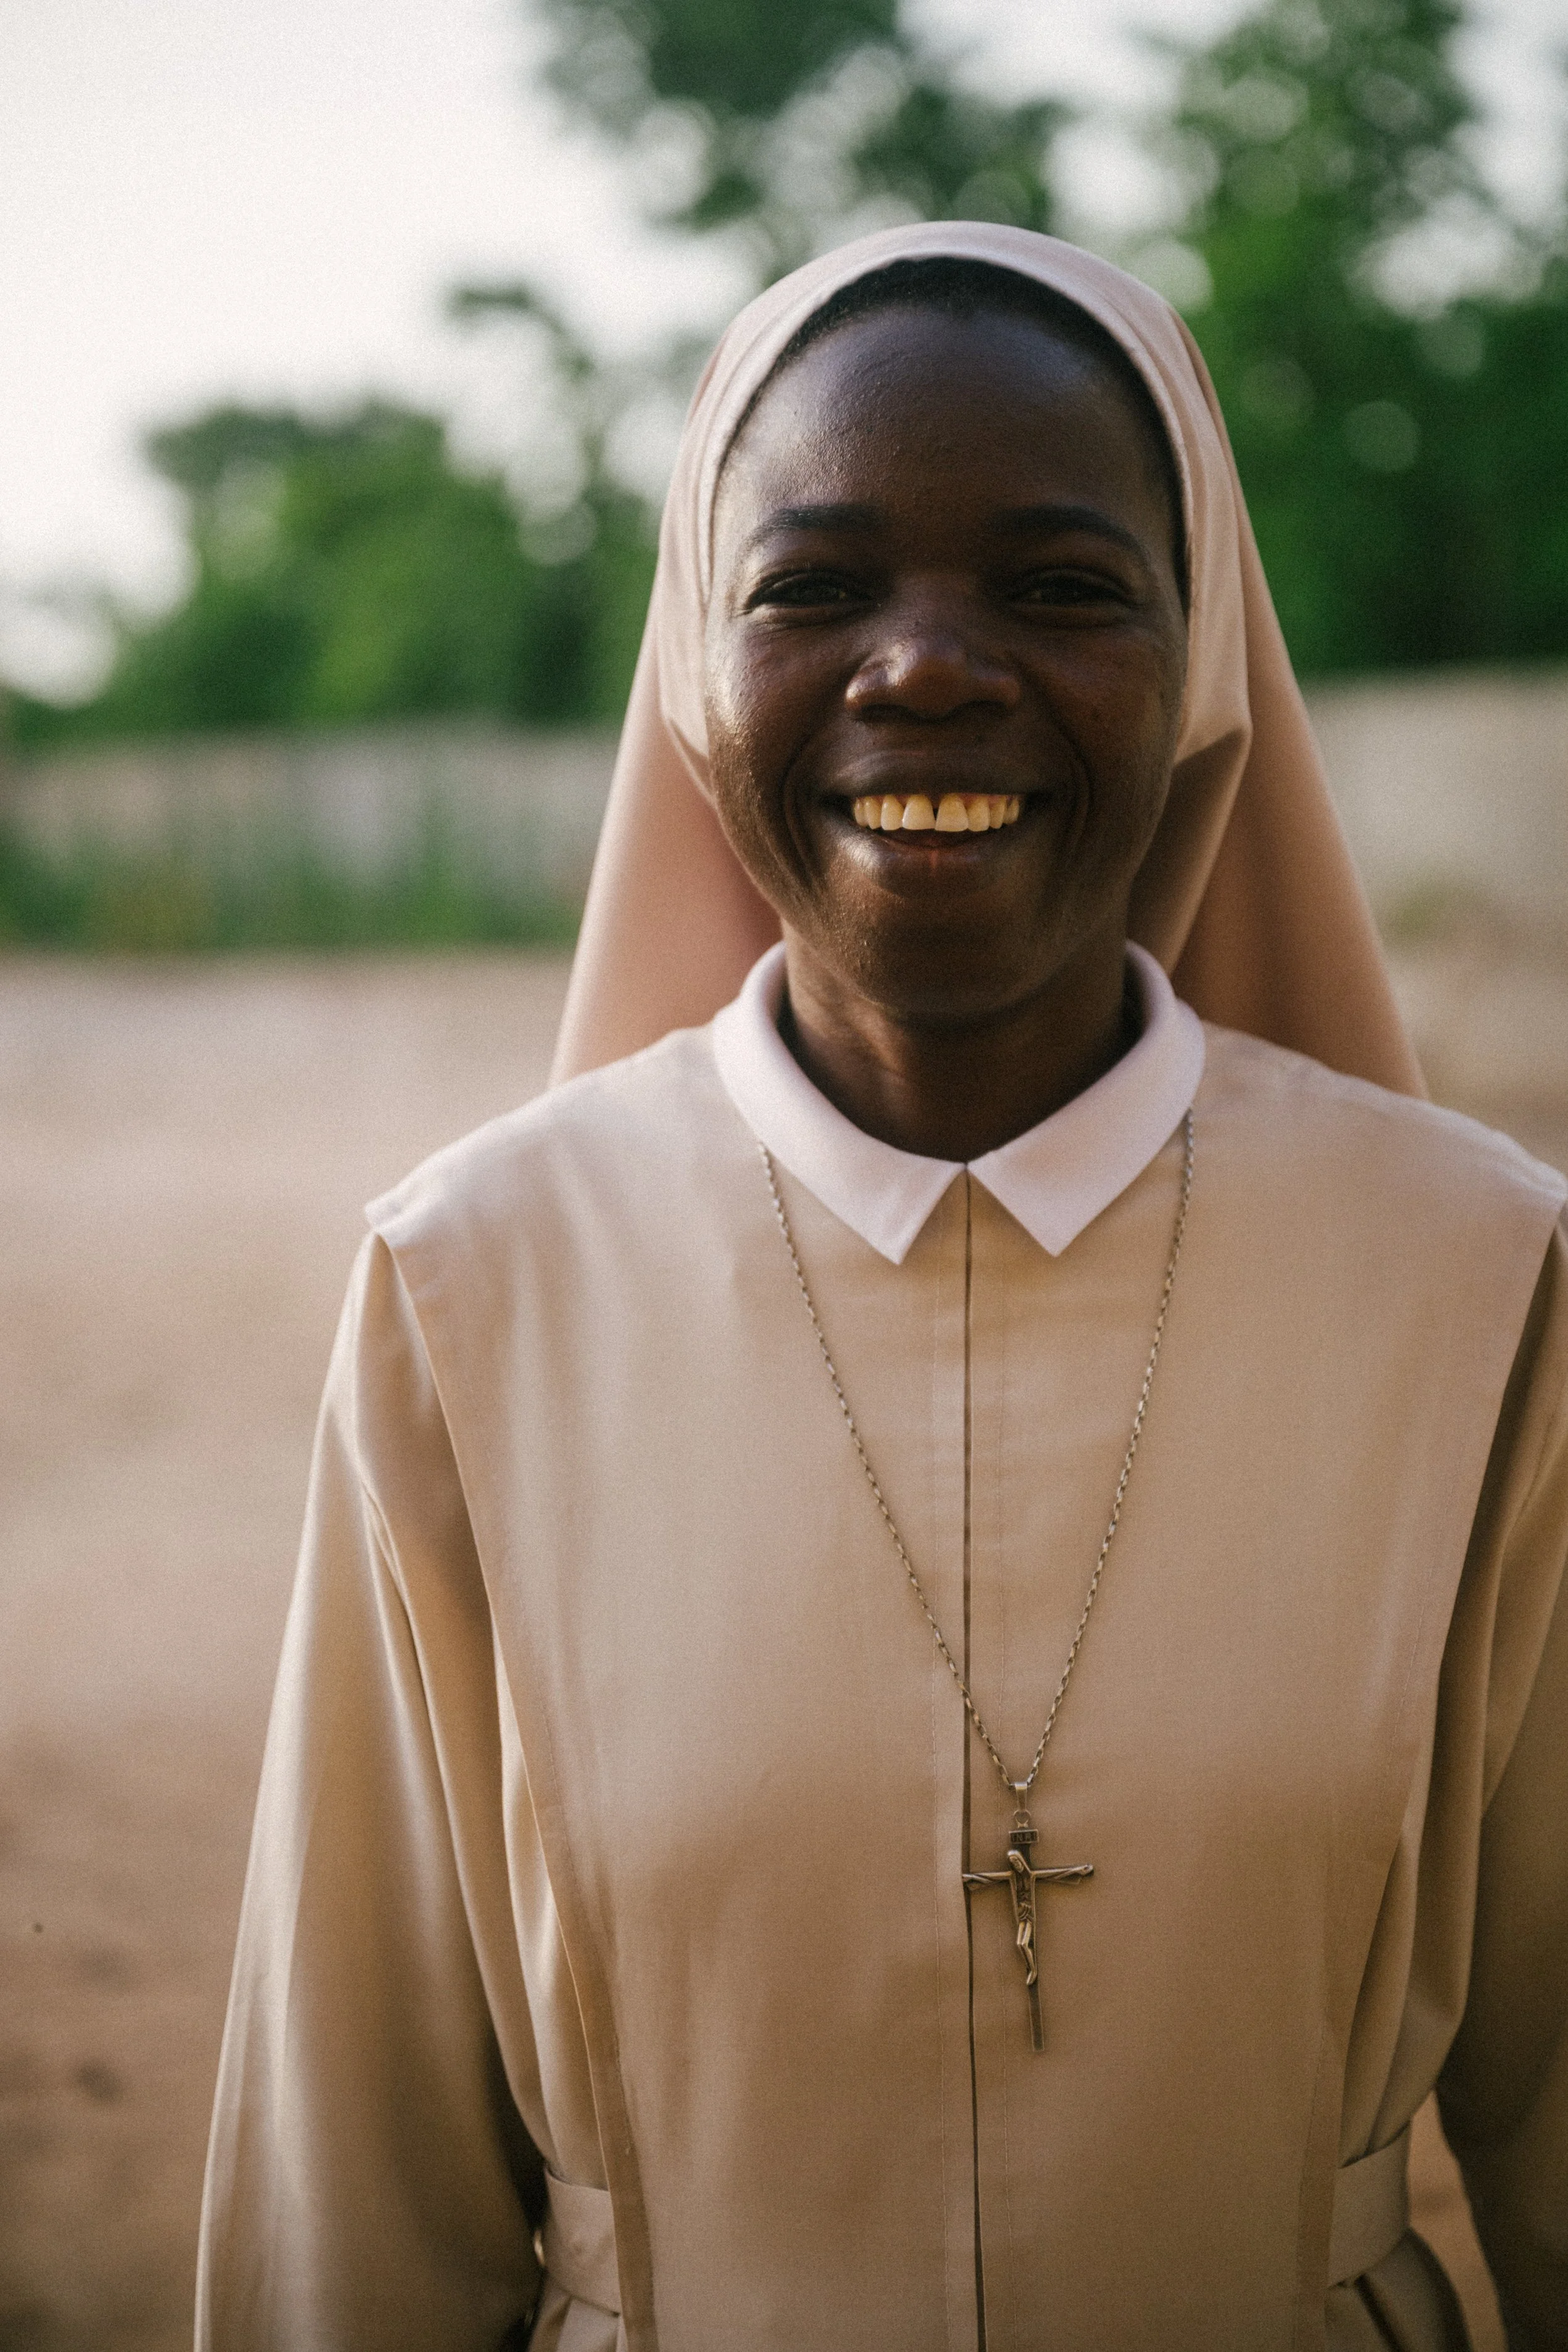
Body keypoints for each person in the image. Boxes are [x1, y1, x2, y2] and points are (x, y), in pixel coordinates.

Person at [196, 225, 1568, 2352]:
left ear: (1196, 659)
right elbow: (350, 2167)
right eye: (813, 585)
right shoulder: (469, 1286)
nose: (926, 667)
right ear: (689, 668)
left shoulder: (1481, 1283)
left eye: (1058, 584)